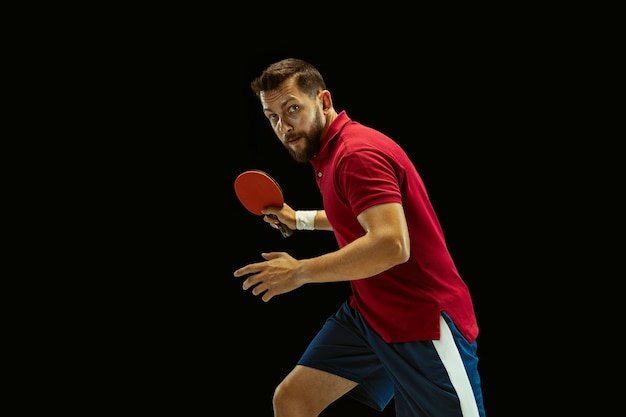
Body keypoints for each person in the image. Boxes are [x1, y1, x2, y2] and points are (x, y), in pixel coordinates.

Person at [234, 58, 485, 417]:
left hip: (421, 320)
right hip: (371, 314)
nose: (284, 126)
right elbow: (356, 218)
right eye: (272, 117)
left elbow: (391, 244)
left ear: (322, 101)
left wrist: (299, 272)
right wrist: (297, 219)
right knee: (293, 400)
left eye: (292, 110)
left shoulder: (357, 155)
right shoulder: (330, 153)